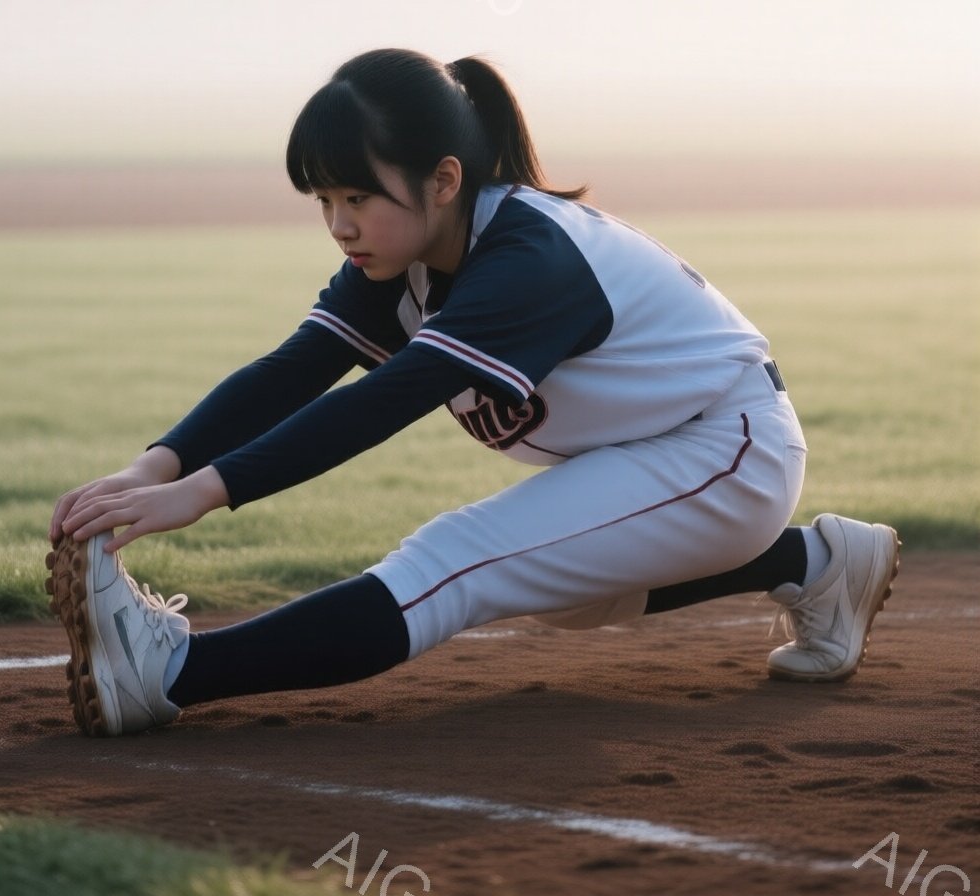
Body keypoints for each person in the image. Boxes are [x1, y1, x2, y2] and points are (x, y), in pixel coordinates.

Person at [46, 48, 900, 738]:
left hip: (728, 446)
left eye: (358, 196)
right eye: (325, 200)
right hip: (660, 448)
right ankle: (818, 565)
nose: (340, 224)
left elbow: (383, 400)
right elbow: (295, 369)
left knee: (457, 560)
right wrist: (152, 468)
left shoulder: (527, 261)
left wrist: (202, 493)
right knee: (558, 596)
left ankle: (172, 672)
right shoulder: (400, 255)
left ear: (443, 180)